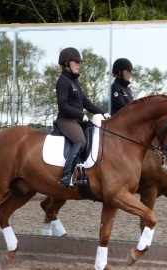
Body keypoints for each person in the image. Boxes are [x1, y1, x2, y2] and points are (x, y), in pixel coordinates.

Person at [55, 47, 110, 188]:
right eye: (76, 62)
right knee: (81, 141)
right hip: (66, 120)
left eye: (80, 62)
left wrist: (102, 112)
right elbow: (63, 105)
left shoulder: (75, 82)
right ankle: (66, 176)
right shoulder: (63, 81)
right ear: (67, 63)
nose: (79, 65)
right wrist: (81, 114)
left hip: (77, 120)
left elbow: (85, 102)